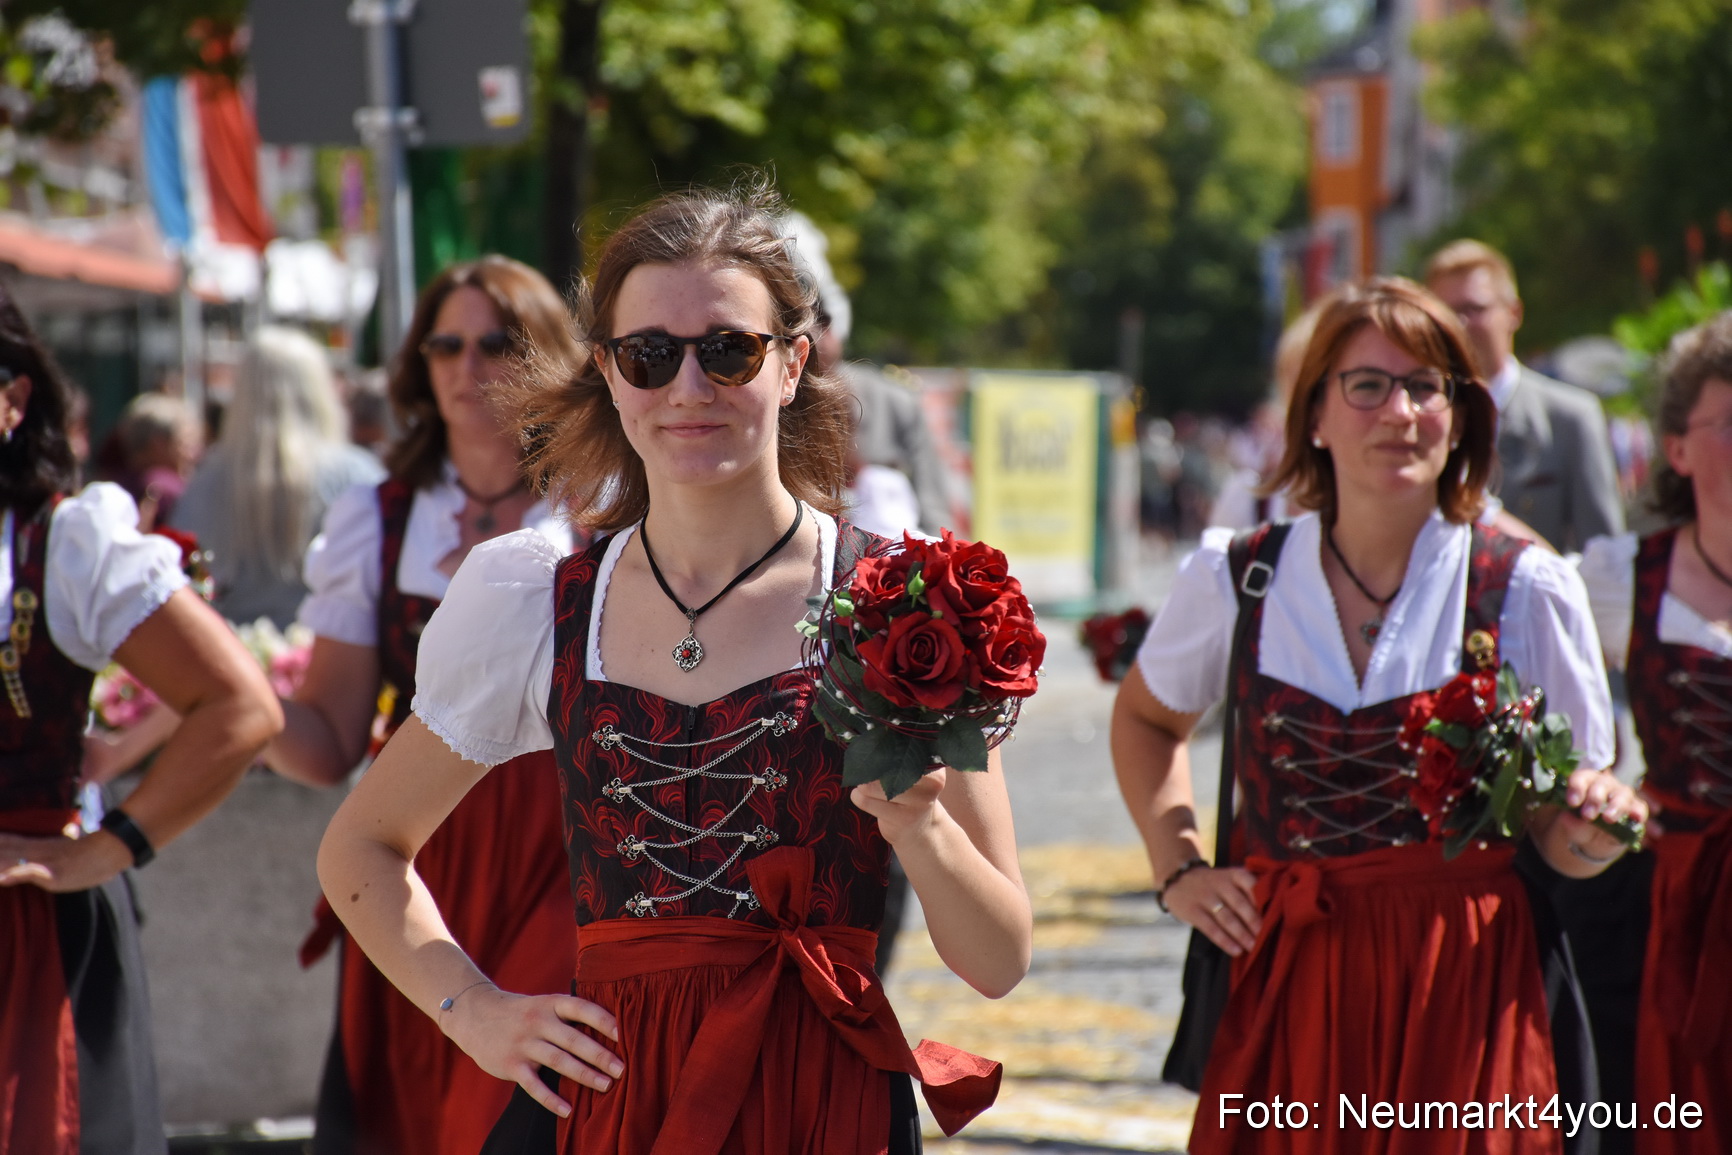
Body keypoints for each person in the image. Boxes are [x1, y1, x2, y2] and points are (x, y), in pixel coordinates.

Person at [317, 185, 1030, 1153]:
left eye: (727, 350)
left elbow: (996, 959)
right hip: (611, 1101)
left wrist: (921, 825)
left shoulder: (901, 600)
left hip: (820, 1101)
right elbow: (362, 846)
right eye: (649, 355)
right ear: (608, 374)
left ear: (793, 362)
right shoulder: (537, 597)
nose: (688, 388)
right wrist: (474, 1011)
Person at [1112, 277, 1642, 1155]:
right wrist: (1179, 871)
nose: (1399, 411)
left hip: (1465, 984)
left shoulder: (1525, 585)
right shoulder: (1237, 576)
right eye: (1367, 384)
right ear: (1315, 413)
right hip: (1291, 979)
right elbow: (1145, 720)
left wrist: (1596, 827)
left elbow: (1563, 834)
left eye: (1427, 385)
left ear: (1461, 415)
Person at [266, 257, 584, 1155]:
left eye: (496, 343)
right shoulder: (378, 516)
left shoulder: (600, 508)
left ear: (544, 362)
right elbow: (327, 742)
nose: (467, 365)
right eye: (445, 342)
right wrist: (224, 696)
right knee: (417, 1115)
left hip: (560, 840)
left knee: (522, 1101)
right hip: (416, 841)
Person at [0, 284, 282, 1152]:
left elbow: (239, 706)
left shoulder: (62, 545)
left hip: (25, 930)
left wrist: (106, 847)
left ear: (13, 400)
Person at [1571, 312, 1732, 1155]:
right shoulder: (1618, 578)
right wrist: (1589, 781)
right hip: (1671, 908)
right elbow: (1517, 628)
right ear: (1676, 447)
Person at [172, 326, 384, 629]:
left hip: (232, 654)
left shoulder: (207, 479)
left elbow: (185, 576)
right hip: (332, 653)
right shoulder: (356, 476)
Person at [1425, 240, 1625, 551]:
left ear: (1513, 313)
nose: (1459, 324)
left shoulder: (1570, 418)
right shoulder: (1416, 415)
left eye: (1473, 309)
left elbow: (1605, 557)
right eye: (1445, 313)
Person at [96, 392, 203, 532]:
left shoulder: (109, 487)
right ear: (158, 444)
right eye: (184, 443)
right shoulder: (168, 490)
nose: (193, 454)